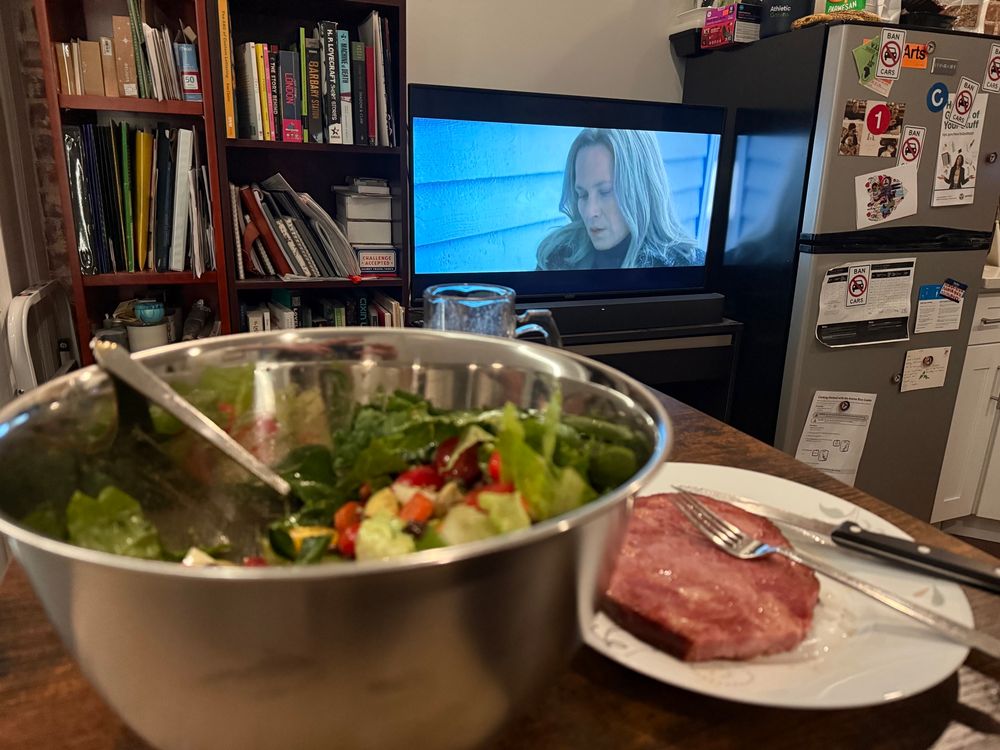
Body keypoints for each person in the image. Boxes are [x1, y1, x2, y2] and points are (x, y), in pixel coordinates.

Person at [535, 128, 703, 270]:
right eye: (583, 194)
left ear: (641, 189)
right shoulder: (558, 256)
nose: (590, 211)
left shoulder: (687, 266)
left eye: (605, 191)